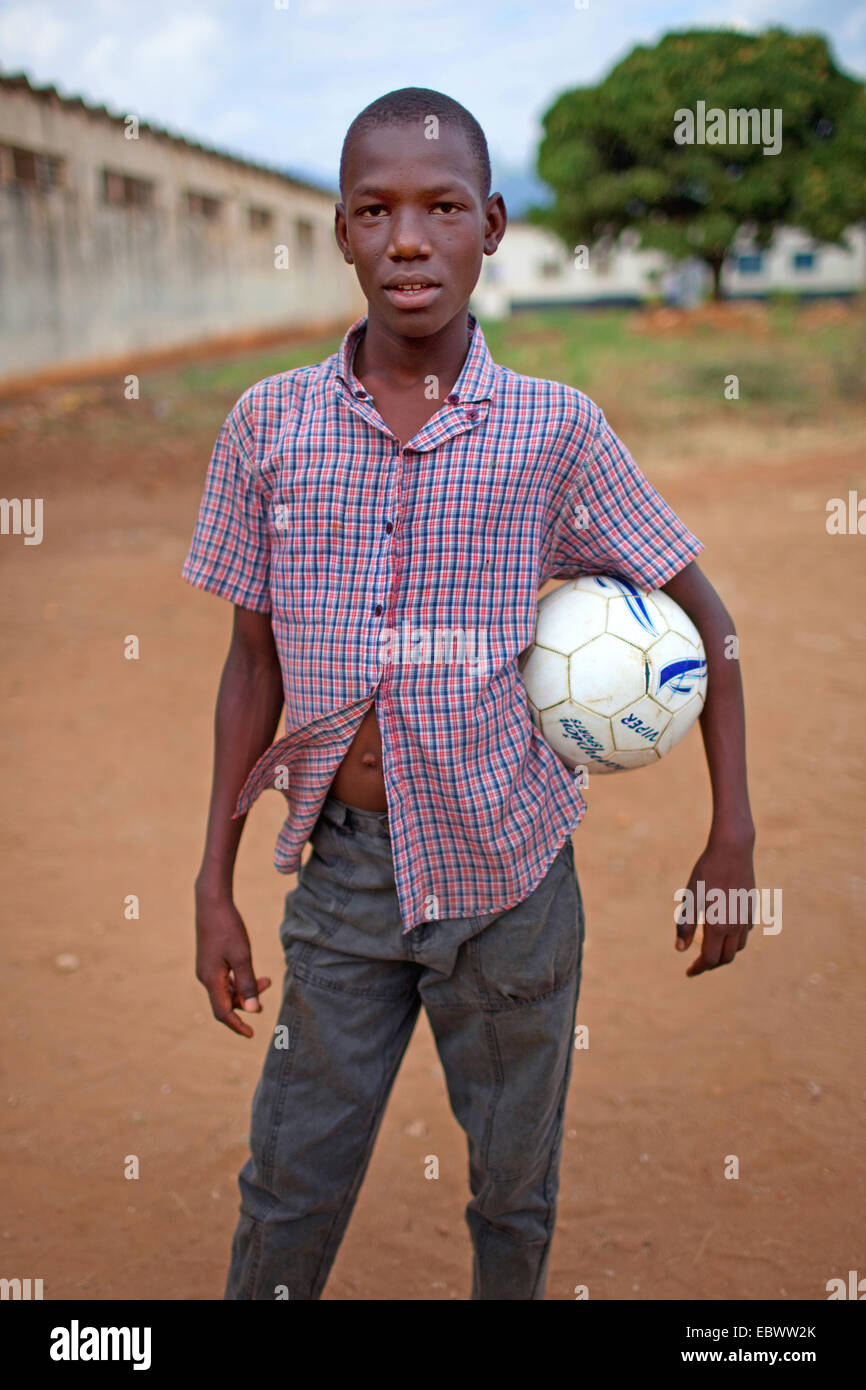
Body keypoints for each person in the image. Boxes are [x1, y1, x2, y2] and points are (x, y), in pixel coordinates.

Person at [181, 87, 756, 1301]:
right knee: (289, 1178)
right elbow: (252, 662)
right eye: (374, 210)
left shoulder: (555, 433)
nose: (407, 239)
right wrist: (211, 881)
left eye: (441, 208)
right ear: (339, 230)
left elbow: (708, 620)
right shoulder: (267, 426)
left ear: (490, 225)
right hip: (343, 881)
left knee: (511, 1183)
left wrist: (732, 831)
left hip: (510, 881)